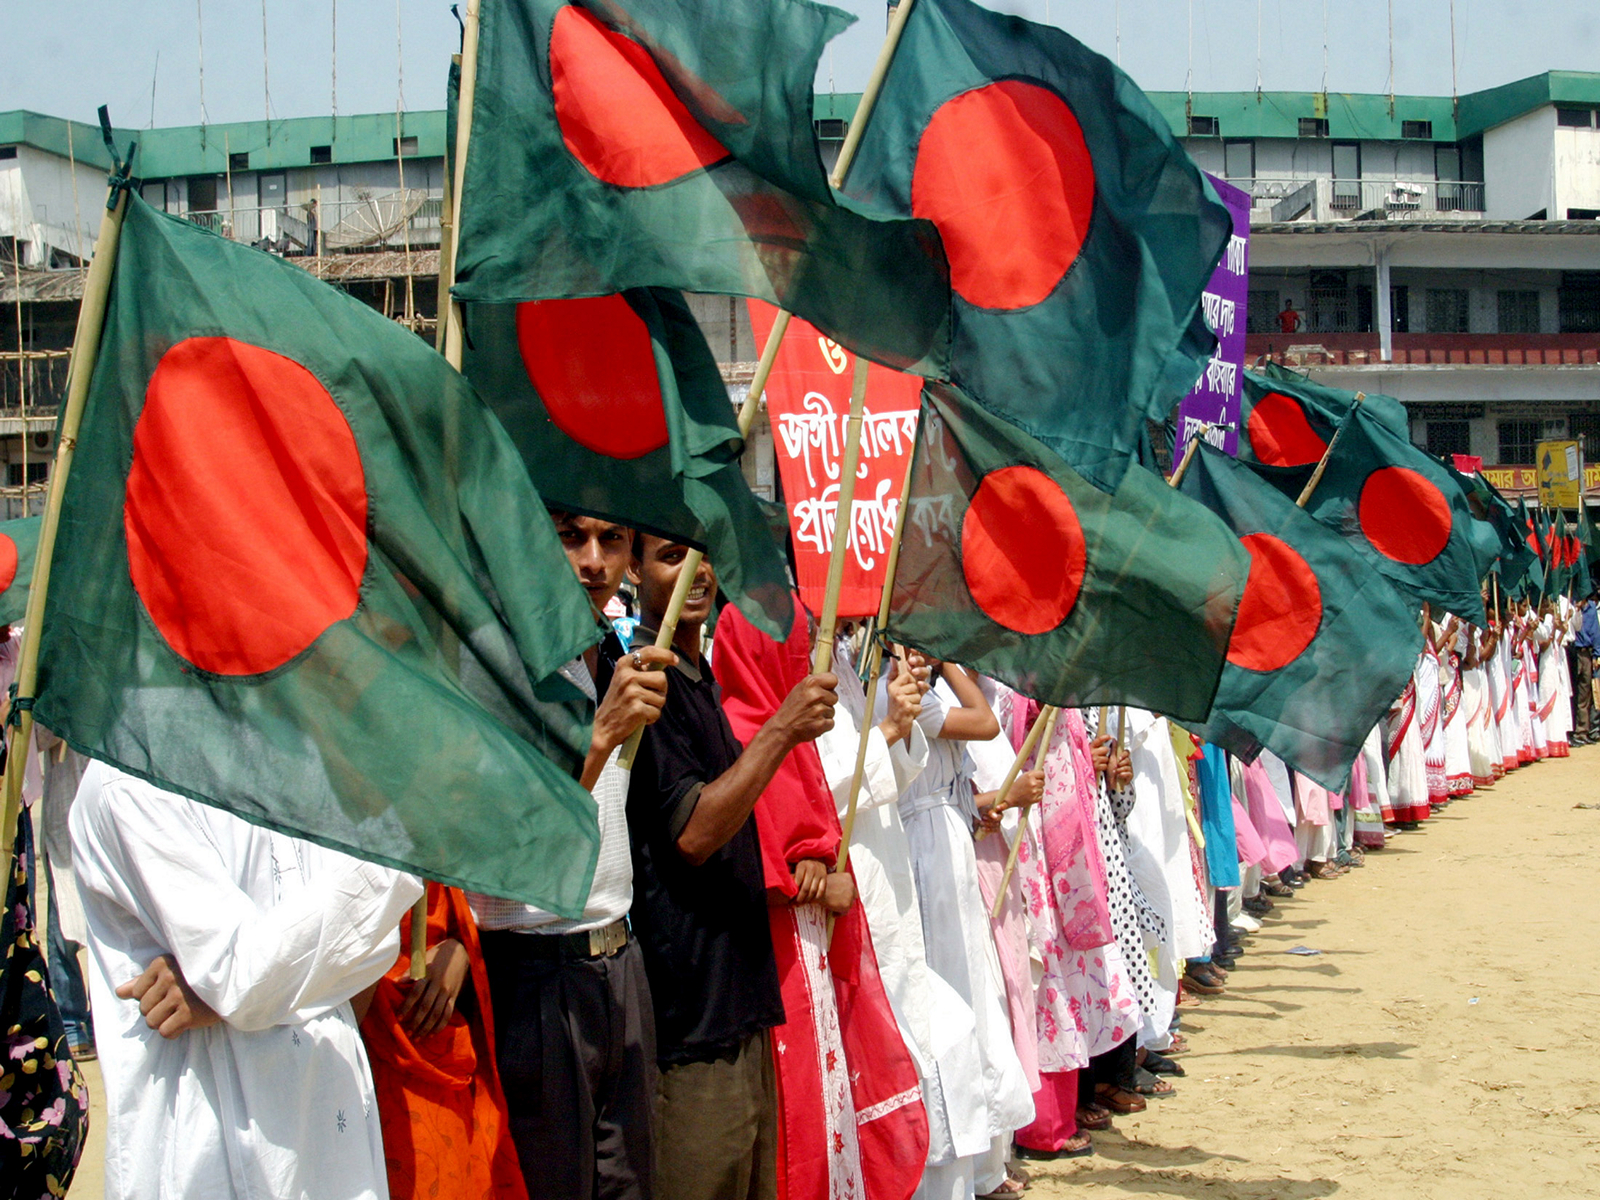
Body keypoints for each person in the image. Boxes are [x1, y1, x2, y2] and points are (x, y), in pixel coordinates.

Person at [70, 761, 423, 1200]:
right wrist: (403, 839)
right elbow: (237, 975)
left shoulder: (295, 749)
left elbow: (370, 946)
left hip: (330, 1122)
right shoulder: (132, 779)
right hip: (209, 1142)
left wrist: (238, 987)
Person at [468, 512, 676, 1200]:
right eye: (569, 536)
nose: (593, 561)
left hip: (620, 965)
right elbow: (498, 841)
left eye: (612, 540)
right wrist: (598, 738)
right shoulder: (496, 670)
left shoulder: (617, 663)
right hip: (534, 974)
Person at [624, 535, 838, 1200]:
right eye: (668, 555)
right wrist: (780, 730)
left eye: (702, 551)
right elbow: (694, 833)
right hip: (690, 1028)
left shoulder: (698, 680)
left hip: (739, 1007)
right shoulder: (646, 686)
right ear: (635, 570)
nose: (695, 571)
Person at [1575, 591, 1599, 745]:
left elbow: (1596, 634)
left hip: (1586, 653)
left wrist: (1597, 655)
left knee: (1585, 693)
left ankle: (1583, 730)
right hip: (1573, 651)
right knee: (1574, 692)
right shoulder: (1570, 606)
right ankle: (1575, 730)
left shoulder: (1590, 609)